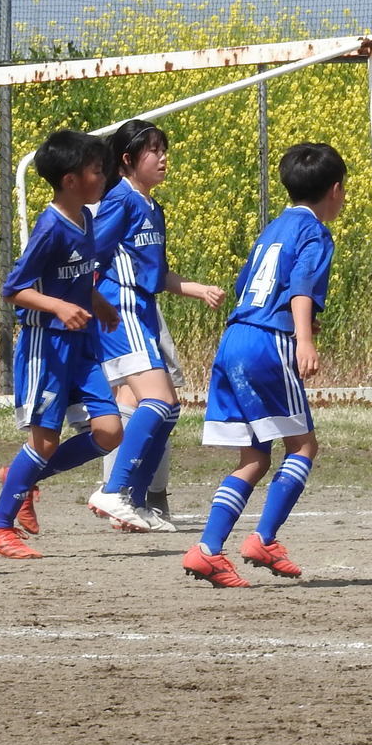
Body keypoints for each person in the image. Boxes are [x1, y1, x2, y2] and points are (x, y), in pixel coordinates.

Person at [183, 143, 345, 588]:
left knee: (254, 457)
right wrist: (305, 340)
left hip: (234, 337)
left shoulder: (271, 230)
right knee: (303, 446)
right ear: (335, 190)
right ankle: (264, 539)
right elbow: (301, 286)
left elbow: (247, 285)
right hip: (269, 340)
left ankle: (207, 551)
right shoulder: (314, 234)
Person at [0, 129, 124, 559]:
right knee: (43, 441)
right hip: (49, 344)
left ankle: (23, 479)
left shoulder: (88, 219)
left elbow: (77, 277)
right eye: (97, 170)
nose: (104, 177)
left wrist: (96, 303)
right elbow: (14, 288)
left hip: (83, 344)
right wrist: (59, 307)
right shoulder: (50, 227)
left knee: (109, 431)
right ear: (70, 179)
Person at [85, 119, 224, 533]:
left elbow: (155, 275)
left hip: (141, 309)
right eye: (153, 151)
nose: (163, 158)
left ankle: (135, 501)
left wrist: (198, 289)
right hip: (119, 309)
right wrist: (86, 305)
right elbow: (89, 257)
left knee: (169, 408)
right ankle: (114, 490)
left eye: (164, 149)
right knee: (157, 402)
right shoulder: (119, 201)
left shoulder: (152, 208)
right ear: (127, 160)